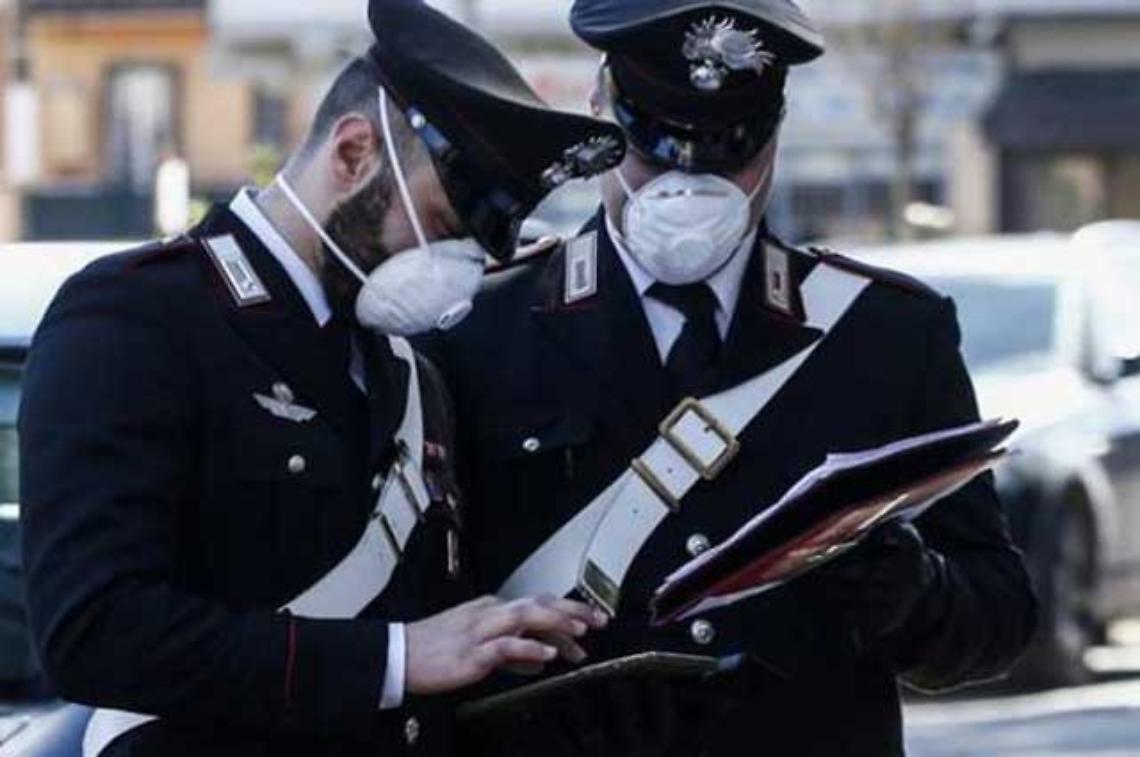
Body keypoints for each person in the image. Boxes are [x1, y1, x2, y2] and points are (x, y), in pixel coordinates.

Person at [418, 1, 1038, 754]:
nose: (687, 182)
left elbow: (1001, 618)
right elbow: (420, 616)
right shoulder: (475, 328)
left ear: (773, 135)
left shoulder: (886, 333)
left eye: (723, 152)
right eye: (653, 146)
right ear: (599, 112)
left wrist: (918, 595)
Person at [17, 1, 626, 755]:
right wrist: (398, 658)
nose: (453, 277)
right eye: (439, 228)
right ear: (351, 152)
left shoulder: (409, 373)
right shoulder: (142, 316)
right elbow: (95, 630)